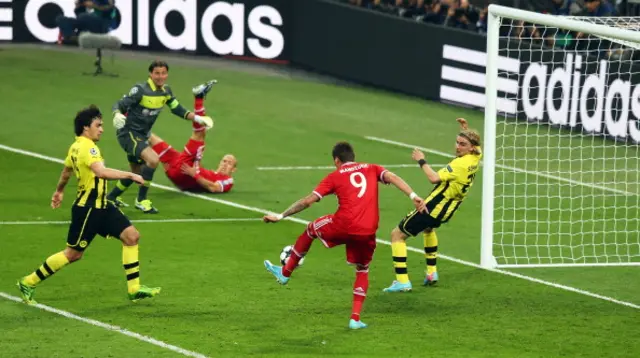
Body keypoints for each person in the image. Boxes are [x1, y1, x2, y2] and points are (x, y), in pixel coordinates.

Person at [262, 142, 424, 329]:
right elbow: (393, 177)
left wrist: (281, 215)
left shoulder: (335, 176)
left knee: (311, 229)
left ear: (336, 160)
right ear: (353, 157)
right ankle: (355, 319)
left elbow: (308, 201)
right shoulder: (372, 168)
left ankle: (285, 273)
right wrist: (414, 196)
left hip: (344, 224)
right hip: (368, 230)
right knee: (363, 268)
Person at [16, 105, 161, 304]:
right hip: (88, 209)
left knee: (131, 236)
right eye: (98, 125)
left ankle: (134, 288)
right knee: (73, 254)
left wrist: (59, 191)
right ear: (86, 127)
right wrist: (130, 174)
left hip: (103, 205)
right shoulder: (87, 147)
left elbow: (67, 171)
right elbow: (101, 172)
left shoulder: (75, 147)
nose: (101, 129)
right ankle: (28, 281)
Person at [383, 118, 482, 292]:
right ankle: (431, 273)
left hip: (432, 207)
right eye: (457, 142)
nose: (457, 147)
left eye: (463, 144)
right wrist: (466, 129)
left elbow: (433, 178)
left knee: (397, 235)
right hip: (448, 210)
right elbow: (476, 145)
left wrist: (421, 160)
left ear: (471, 147)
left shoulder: (460, 164)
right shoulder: (476, 156)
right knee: (429, 229)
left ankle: (402, 281)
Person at [106, 61, 213, 213]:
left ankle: (111, 197)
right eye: (157, 73)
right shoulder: (140, 90)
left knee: (136, 172)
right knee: (153, 159)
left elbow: (177, 109)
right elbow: (119, 104)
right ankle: (141, 200)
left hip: (142, 135)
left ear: (167, 74)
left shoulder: (166, 92)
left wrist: (197, 118)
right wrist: (116, 114)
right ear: (150, 74)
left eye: (163, 73)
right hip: (128, 133)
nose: (160, 76)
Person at [149, 81, 237, 193]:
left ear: (233, 170)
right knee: (150, 137)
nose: (225, 164)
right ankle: (129, 119)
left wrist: (195, 175)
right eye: (224, 161)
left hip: (185, 172)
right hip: (179, 171)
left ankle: (198, 97)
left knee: (200, 134)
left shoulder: (228, 180)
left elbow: (214, 188)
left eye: (229, 163)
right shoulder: (211, 173)